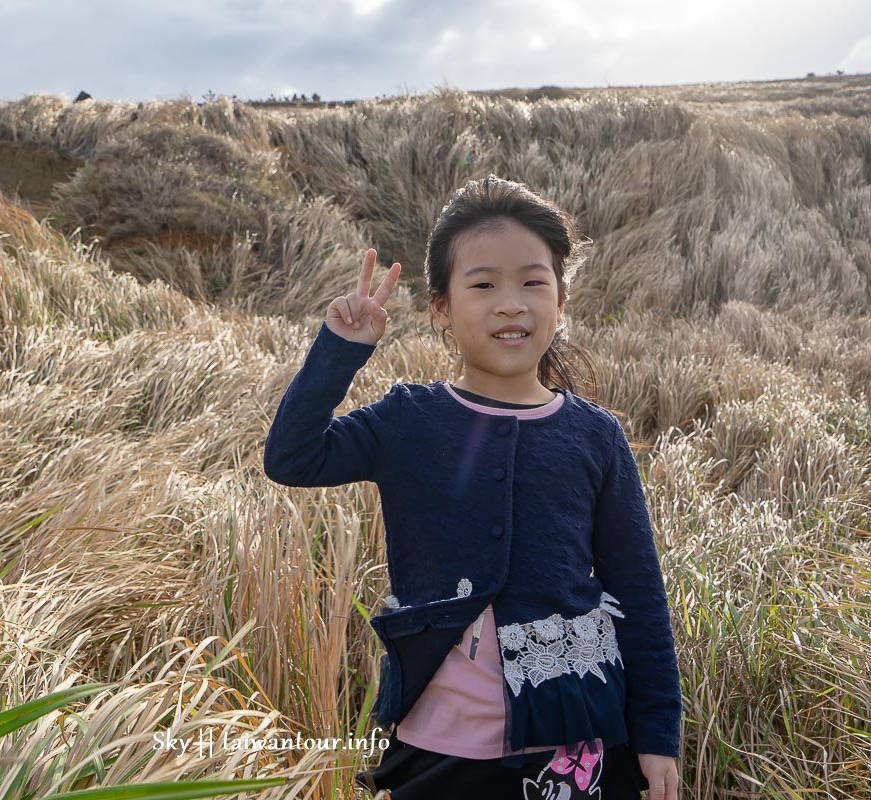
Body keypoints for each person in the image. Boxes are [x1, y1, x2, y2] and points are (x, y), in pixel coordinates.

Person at [263, 175, 682, 798]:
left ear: (560, 301)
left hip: (577, 744)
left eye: (533, 282)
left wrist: (657, 735)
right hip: (436, 742)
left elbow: (640, 594)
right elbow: (293, 457)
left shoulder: (596, 436)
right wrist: (339, 352)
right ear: (442, 308)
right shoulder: (408, 419)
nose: (511, 304)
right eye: (483, 285)